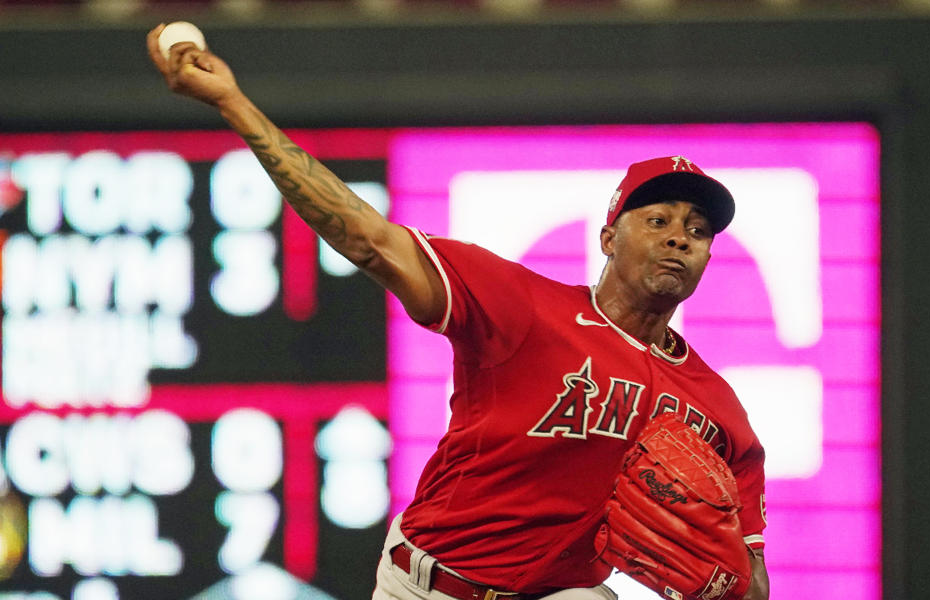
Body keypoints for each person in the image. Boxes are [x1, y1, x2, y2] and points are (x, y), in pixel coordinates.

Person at [147, 26, 770, 600]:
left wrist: (726, 584)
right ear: (607, 237)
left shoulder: (714, 408)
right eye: (657, 220)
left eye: (697, 229)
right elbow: (367, 238)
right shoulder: (523, 306)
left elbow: (753, 580)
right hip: (429, 584)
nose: (680, 238)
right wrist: (232, 103)